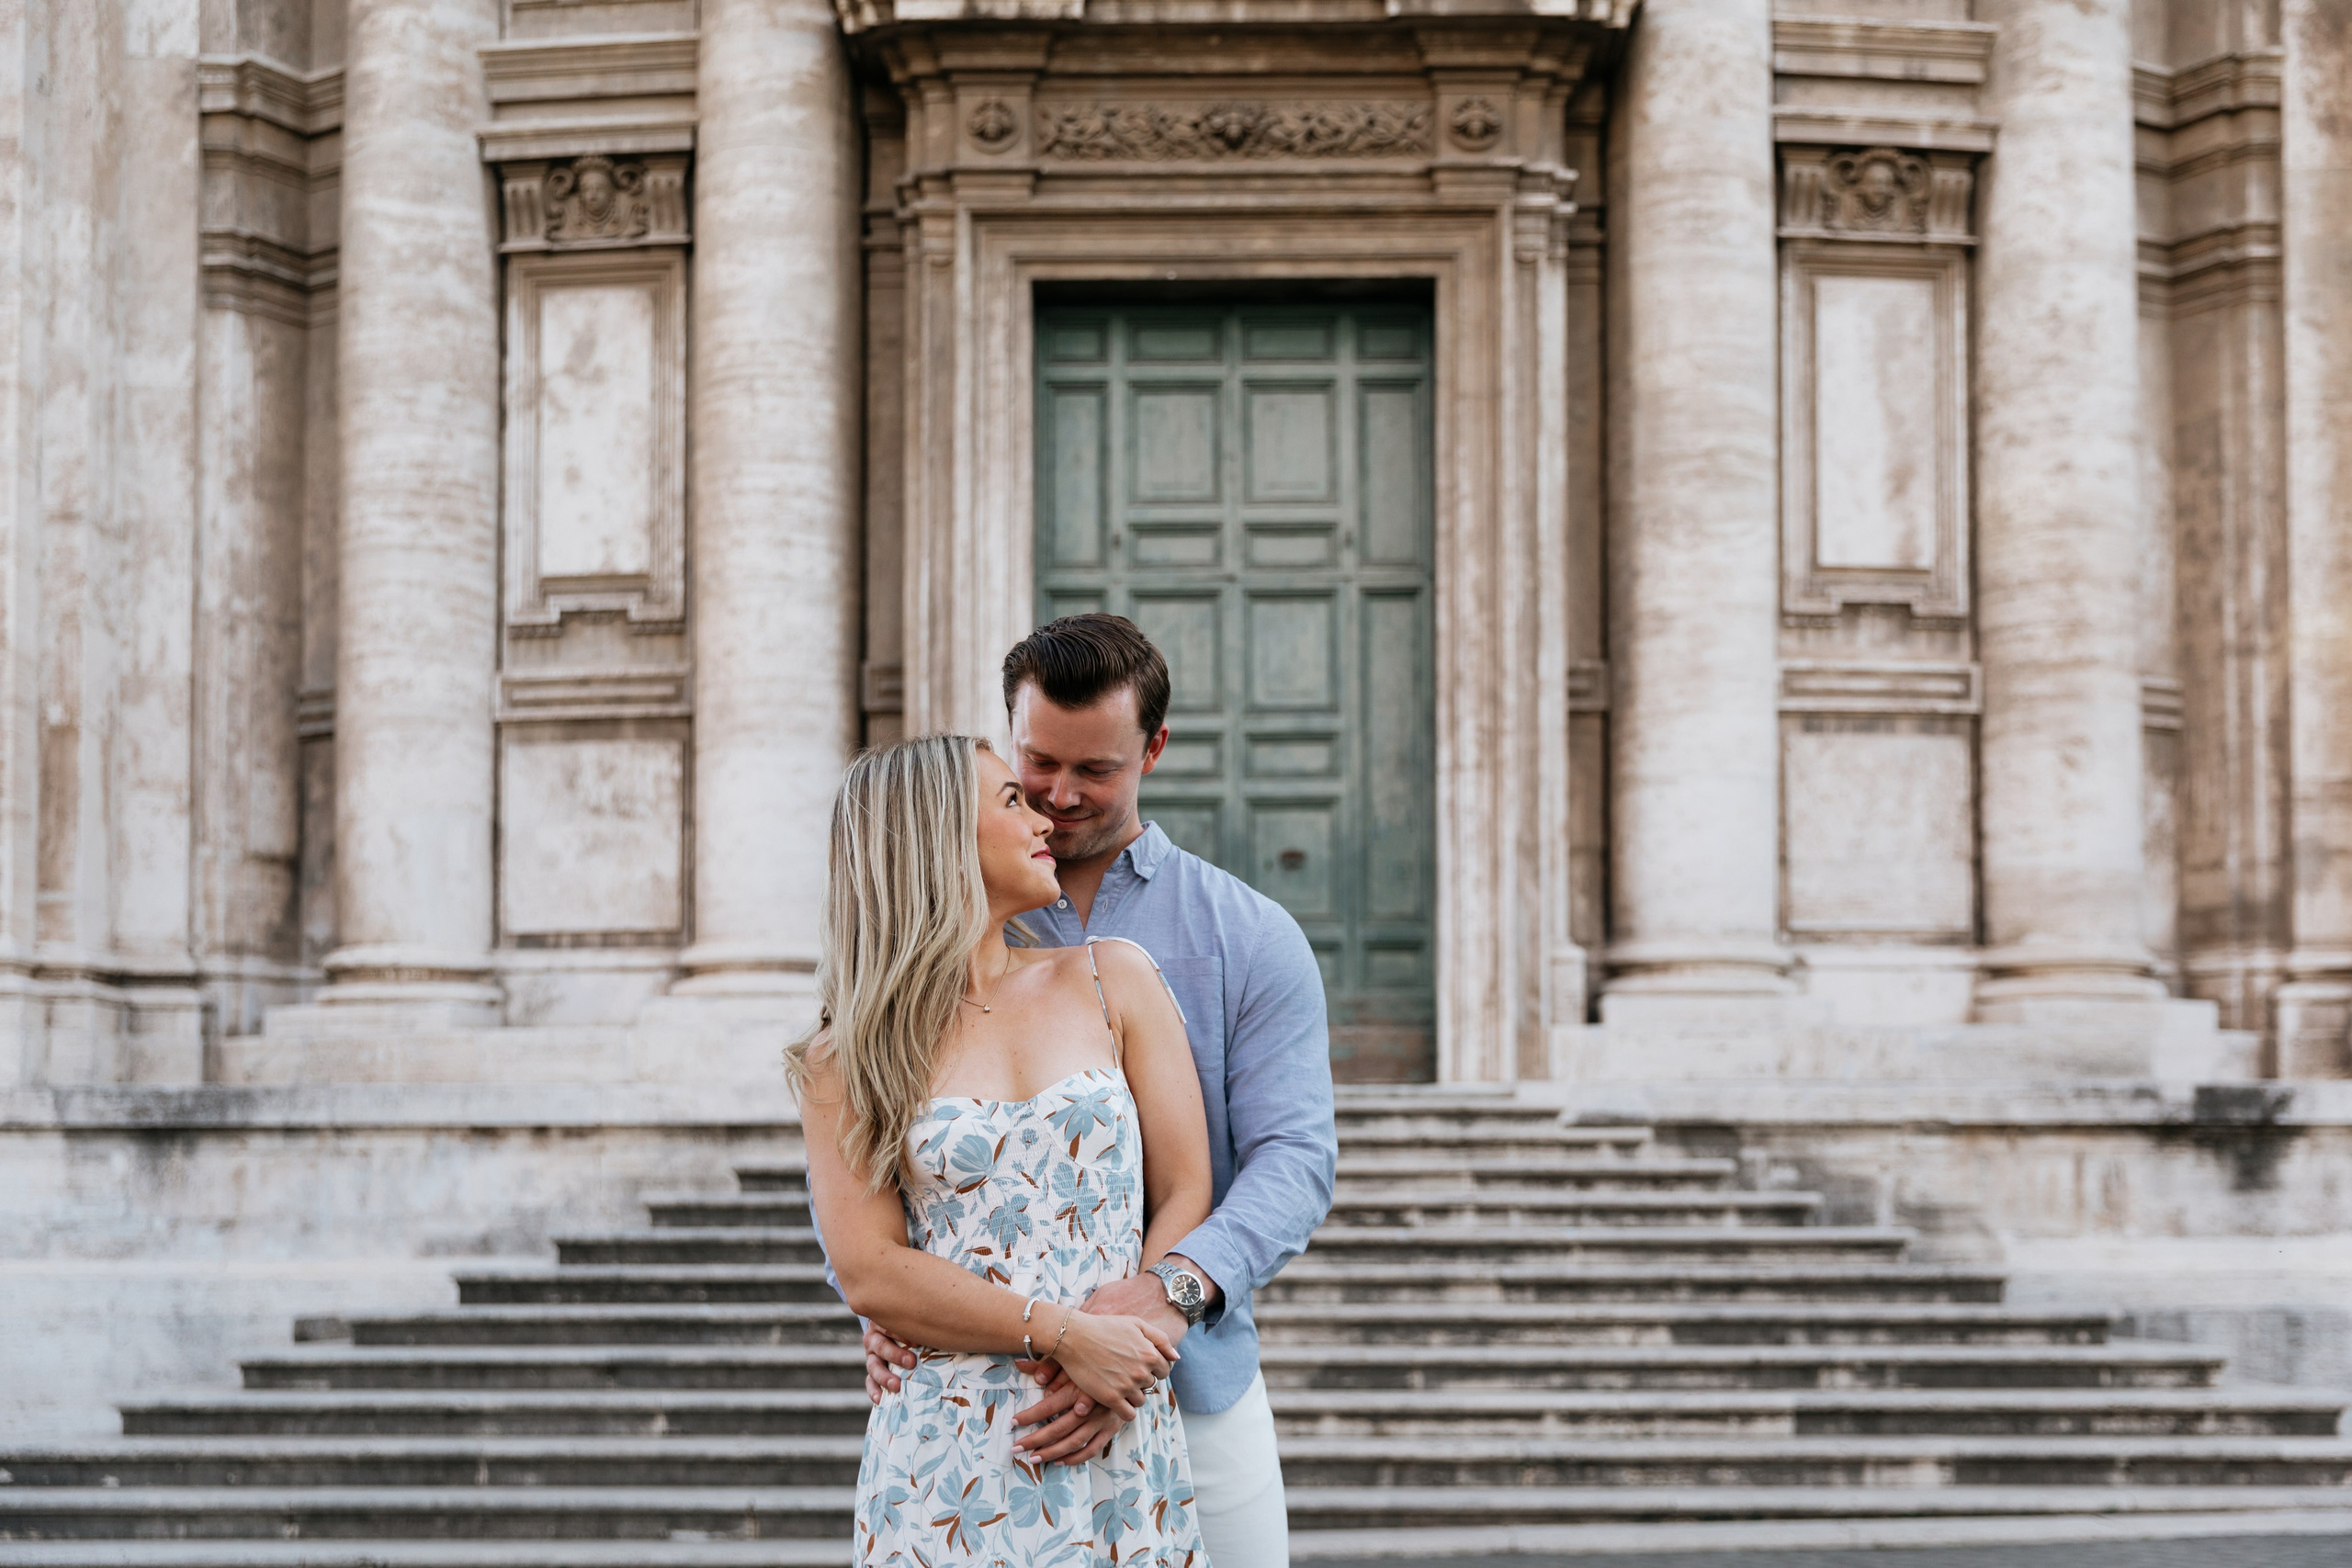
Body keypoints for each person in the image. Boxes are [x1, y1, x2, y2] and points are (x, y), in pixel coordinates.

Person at [863, 614, 1340, 1568]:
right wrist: (876, 1295)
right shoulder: (928, 943)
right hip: (983, 1396)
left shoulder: (1250, 937)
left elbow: (1294, 1160)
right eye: (1039, 764)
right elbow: (868, 1139)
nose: (1062, 795)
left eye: (1098, 770)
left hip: (1193, 1385)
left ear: (1153, 751)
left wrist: (1165, 1301)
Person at [788, 733, 1215, 1566]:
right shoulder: (844, 1053)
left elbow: (1186, 1184)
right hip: (944, 1455)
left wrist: (1130, 1357)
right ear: (938, 836)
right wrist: (1064, 1336)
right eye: (1011, 801)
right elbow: (871, 1267)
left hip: (1114, 1428)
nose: (1044, 818)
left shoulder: (1112, 977)